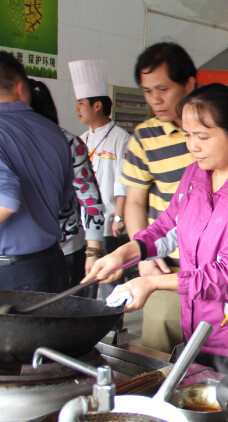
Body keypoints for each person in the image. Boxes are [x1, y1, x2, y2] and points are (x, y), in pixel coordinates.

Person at [86, 83, 228, 364]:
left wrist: (152, 282)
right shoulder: (196, 174)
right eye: (188, 135)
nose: (192, 146)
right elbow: (168, 227)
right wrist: (122, 254)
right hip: (195, 330)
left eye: (202, 136)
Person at [121, 42, 196, 353]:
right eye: (147, 91)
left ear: (189, 83)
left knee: (218, 368)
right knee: (159, 361)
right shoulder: (145, 137)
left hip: (221, 267)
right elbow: (135, 201)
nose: (155, 99)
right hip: (168, 270)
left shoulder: (222, 124)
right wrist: (144, 255)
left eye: (162, 89)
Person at [0, 52, 73, 293]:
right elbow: (64, 203)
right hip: (52, 263)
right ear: (21, 87)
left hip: (11, 275)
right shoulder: (54, 132)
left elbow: (6, 199)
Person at [27, 79, 105, 296]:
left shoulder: (68, 143)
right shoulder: (70, 141)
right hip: (61, 248)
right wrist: (93, 251)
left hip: (59, 250)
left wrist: (93, 252)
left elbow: (90, 198)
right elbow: (91, 198)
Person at [69, 59, 131, 299]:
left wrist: (119, 216)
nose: (76, 109)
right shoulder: (82, 138)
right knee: (85, 278)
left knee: (108, 277)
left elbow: (122, 180)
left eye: (80, 103)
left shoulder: (120, 138)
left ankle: (111, 328)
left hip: (107, 221)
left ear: (97, 106)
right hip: (83, 222)